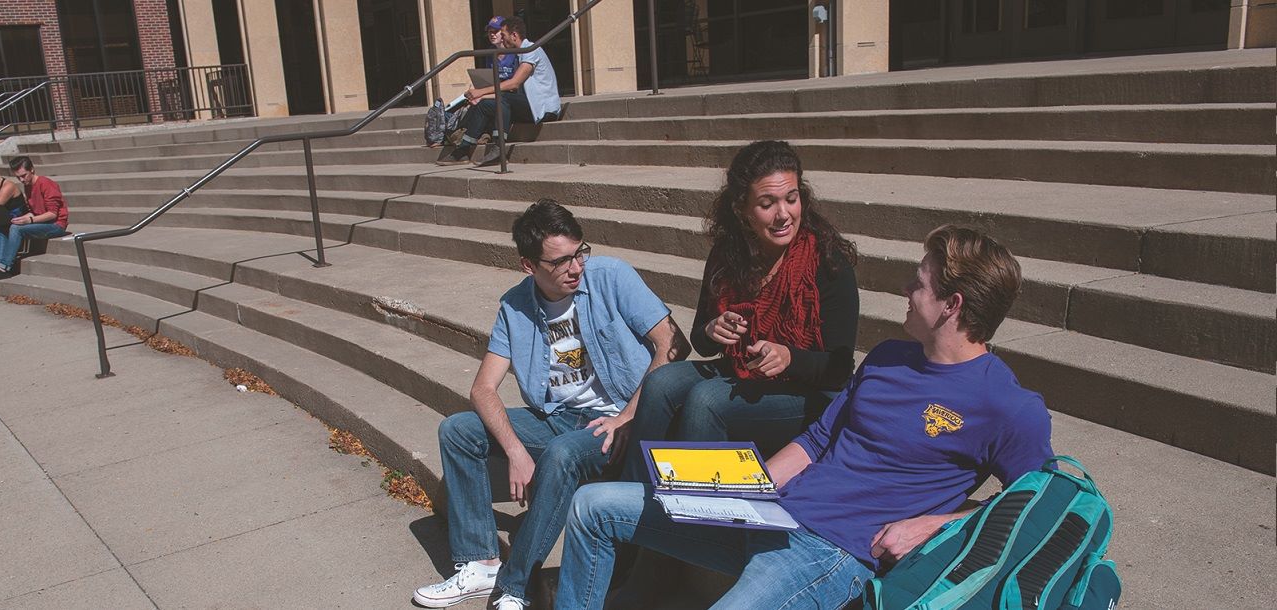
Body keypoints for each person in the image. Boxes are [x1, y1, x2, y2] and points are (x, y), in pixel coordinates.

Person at [556, 225, 1055, 610]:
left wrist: (933, 526)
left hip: (831, 553)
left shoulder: (1009, 406)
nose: (907, 287)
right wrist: (745, 488)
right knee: (592, 506)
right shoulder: (886, 356)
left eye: (919, 282)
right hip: (771, 511)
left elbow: (1041, 508)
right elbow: (818, 439)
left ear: (952, 305)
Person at [413, 200, 690, 610]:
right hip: (557, 419)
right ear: (530, 266)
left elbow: (672, 343)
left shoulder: (611, 276)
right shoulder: (515, 306)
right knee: (457, 431)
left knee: (561, 455)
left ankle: (515, 587)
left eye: (579, 253)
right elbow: (483, 390)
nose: (575, 268)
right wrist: (516, 451)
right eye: (560, 262)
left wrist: (627, 416)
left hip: (616, 420)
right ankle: (480, 562)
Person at [620, 140, 858, 482]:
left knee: (707, 399)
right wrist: (713, 328)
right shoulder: (727, 254)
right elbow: (702, 341)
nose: (783, 214)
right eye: (767, 203)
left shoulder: (828, 262)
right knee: (661, 382)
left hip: (808, 393)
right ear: (742, 209)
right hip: (744, 373)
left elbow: (839, 369)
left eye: (791, 199)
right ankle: (633, 498)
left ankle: (697, 517)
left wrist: (790, 357)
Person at [438, 16, 562, 167]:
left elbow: (514, 84)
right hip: (530, 104)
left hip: (544, 108)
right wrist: (482, 96)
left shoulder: (531, 50)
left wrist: (481, 92)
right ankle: (462, 150)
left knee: (501, 100)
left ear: (514, 35)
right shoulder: (520, 53)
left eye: (503, 35)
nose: (501, 39)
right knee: (484, 105)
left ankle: (499, 149)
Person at [0, 156, 69, 279]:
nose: (21, 180)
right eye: (18, 177)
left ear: (32, 170)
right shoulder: (28, 185)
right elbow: (34, 211)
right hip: (42, 222)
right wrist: (23, 217)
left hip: (56, 225)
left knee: (16, 229)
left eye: (24, 175)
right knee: (2, 225)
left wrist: (29, 220)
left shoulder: (46, 183)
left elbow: (52, 214)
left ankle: (5, 266)